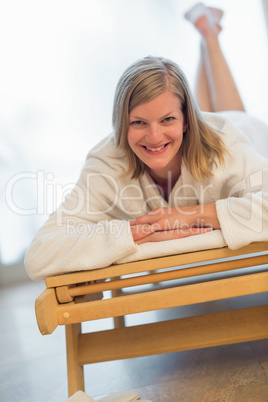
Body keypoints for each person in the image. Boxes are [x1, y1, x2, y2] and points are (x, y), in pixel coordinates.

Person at [25, 3, 268, 281]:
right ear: (121, 124)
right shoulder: (106, 160)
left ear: (187, 120)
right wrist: (139, 230)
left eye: (167, 120)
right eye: (138, 122)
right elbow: (39, 255)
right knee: (182, 122)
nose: (153, 138)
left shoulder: (224, 140)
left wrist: (187, 215)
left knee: (231, 114)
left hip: (246, 132)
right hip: (196, 128)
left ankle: (208, 34)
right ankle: (206, 28)